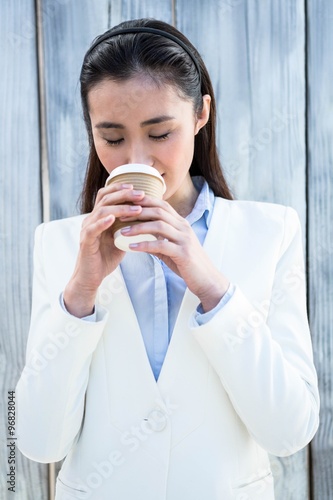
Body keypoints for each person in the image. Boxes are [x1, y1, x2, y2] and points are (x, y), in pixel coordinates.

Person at [16, 18, 319, 500]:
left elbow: (291, 429)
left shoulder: (270, 233)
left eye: (160, 133)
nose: (138, 158)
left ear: (201, 115)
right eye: (112, 139)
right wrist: (79, 294)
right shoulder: (58, 245)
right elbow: (33, 441)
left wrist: (213, 289)